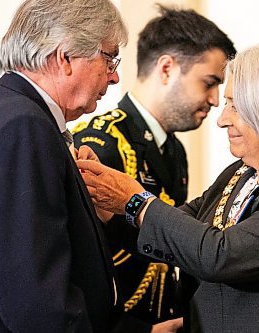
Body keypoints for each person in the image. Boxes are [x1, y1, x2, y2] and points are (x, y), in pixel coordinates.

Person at [77, 42, 259, 332]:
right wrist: (107, 205)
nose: (222, 120)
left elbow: (221, 255)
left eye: (235, 106)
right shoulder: (243, 172)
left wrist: (135, 199)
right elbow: (178, 233)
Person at [0, 0, 128, 331]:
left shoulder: (2, 112)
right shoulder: (22, 126)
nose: (115, 76)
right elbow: (36, 301)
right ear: (65, 57)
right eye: (109, 59)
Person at [73, 6, 236, 332]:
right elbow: (78, 269)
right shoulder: (103, 142)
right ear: (166, 68)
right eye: (209, 83)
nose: (216, 100)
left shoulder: (173, 150)